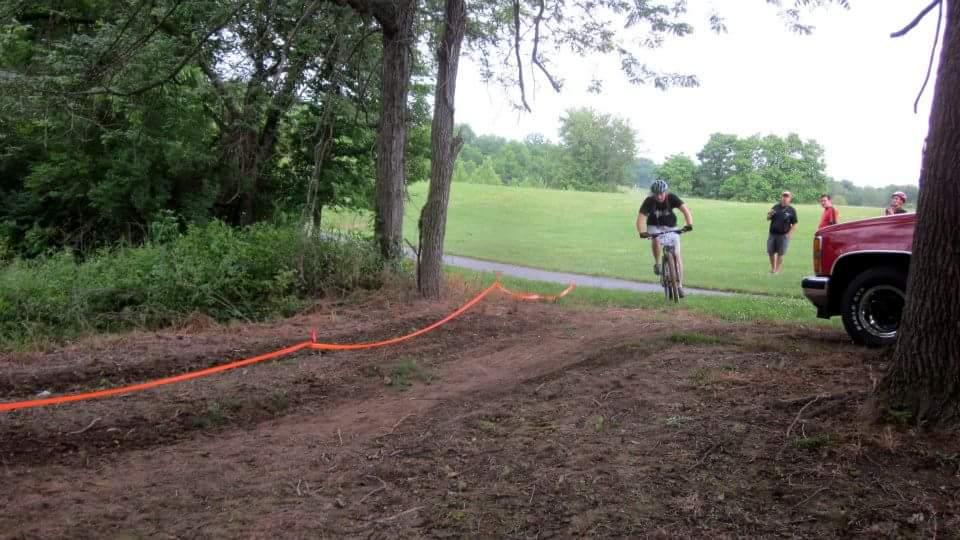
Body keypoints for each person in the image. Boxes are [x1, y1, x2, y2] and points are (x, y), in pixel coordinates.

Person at [636, 179, 694, 296]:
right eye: (657, 194)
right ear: (653, 193)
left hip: (671, 227)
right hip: (654, 226)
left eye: (662, 193)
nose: (659, 196)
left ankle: (680, 286)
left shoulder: (671, 197)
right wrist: (642, 232)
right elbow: (640, 218)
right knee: (656, 239)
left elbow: (685, 211)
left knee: (677, 255)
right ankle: (658, 263)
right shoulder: (649, 201)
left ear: (665, 192)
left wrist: (689, 224)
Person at [766, 191, 798, 274]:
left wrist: (789, 234)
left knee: (780, 253)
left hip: (783, 235)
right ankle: (773, 269)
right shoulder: (775, 207)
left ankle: (777, 270)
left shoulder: (792, 210)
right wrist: (770, 215)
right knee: (770, 252)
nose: (784, 198)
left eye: (787, 196)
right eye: (783, 196)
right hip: (772, 234)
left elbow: (794, 224)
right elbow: (768, 218)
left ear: (790, 198)